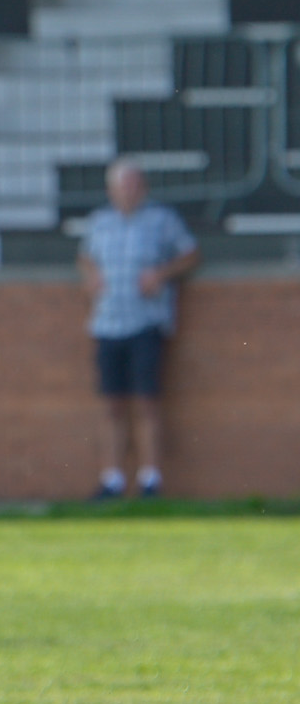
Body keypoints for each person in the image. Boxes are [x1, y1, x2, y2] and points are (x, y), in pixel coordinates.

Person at [78, 158, 199, 499]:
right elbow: (85, 256)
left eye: (134, 184)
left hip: (146, 322)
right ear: (111, 190)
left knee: (147, 402)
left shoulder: (162, 220)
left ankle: (150, 479)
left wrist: (160, 274)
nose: (129, 191)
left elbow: (190, 254)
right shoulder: (100, 222)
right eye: (123, 186)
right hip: (108, 322)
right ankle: (112, 479)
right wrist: (91, 274)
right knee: (111, 405)